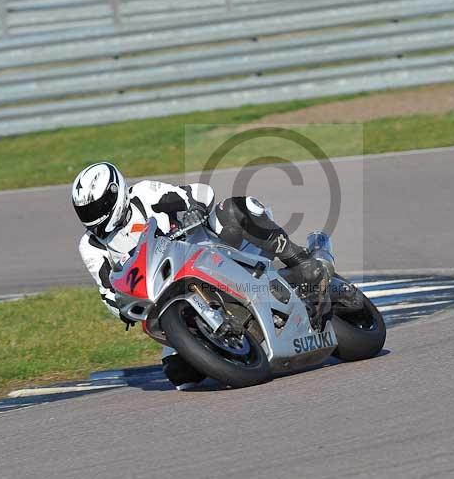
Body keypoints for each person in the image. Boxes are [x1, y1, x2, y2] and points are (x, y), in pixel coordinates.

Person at [71, 162, 324, 389]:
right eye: (85, 211)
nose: (93, 216)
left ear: (116, 193)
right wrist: (121, 307)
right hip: (166, 296)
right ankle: (233, 350)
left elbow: (199, 193)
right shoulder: (91, 246)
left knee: (233, 209)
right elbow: (107, 290)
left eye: (97, 207)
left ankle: (300, 260)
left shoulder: (144, 194)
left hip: (204, 251)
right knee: (180, 375)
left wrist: (194, 208)